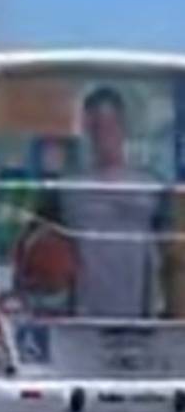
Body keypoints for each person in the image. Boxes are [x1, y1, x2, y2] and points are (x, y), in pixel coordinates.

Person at [61, 86, 163, 317]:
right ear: (87, 129)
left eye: (110, 125)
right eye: (96, 125)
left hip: (140, 314)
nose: (104, 134)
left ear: (123, 127)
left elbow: (168, 251)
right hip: (85, 315)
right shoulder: (70, 190)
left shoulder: (150, 187)